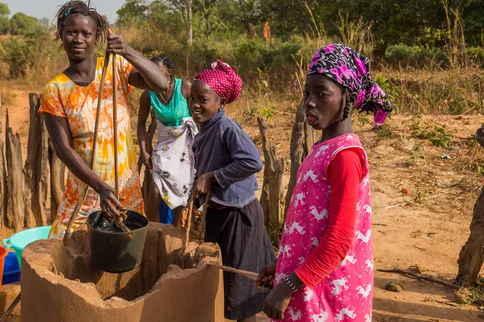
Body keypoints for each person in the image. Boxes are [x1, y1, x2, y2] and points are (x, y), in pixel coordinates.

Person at [256, 44, 392, 321]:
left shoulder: (345, 157)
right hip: (310, 285)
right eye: (307, 92)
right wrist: (282, 266)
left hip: (328, 297)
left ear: (349, 98)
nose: (309, 101)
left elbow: (339, 241)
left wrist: (287, 286)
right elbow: (311, 228)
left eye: (322, 93)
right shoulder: (324, 149)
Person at [40, 0, 168, 239]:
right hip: (86, 192)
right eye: (71, 32)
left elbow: (161, 83)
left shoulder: (115, 68)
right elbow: (63, 149)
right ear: (61, 35)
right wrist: (100, 187)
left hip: (124, 190)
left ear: (96, 36)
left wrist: (127, 51)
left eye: (86, 33)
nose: (78, 39)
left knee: (122, 253)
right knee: (63, 247)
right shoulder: (55, 90)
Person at [191, 60, 276, 322]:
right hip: (221, 213)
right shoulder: (206, 129)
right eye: (191, 99)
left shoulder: (227, 128)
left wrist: (213, 177)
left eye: (202, 100)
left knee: (241, 288)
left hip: (239, 217)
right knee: (225, 279)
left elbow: (252, 161)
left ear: (220, 102)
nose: (195, 105)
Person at [137, 54, 197, 227]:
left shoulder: (185, 87)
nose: (153, 76)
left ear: (169, 72)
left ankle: (176, 233)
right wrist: (144, 150)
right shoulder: (148, 95)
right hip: (164, 146)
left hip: (186, 146)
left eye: (158, 72)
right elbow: (141, 125)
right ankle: (150, 230)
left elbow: (200, 114)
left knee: (181, 191)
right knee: (155, 191)